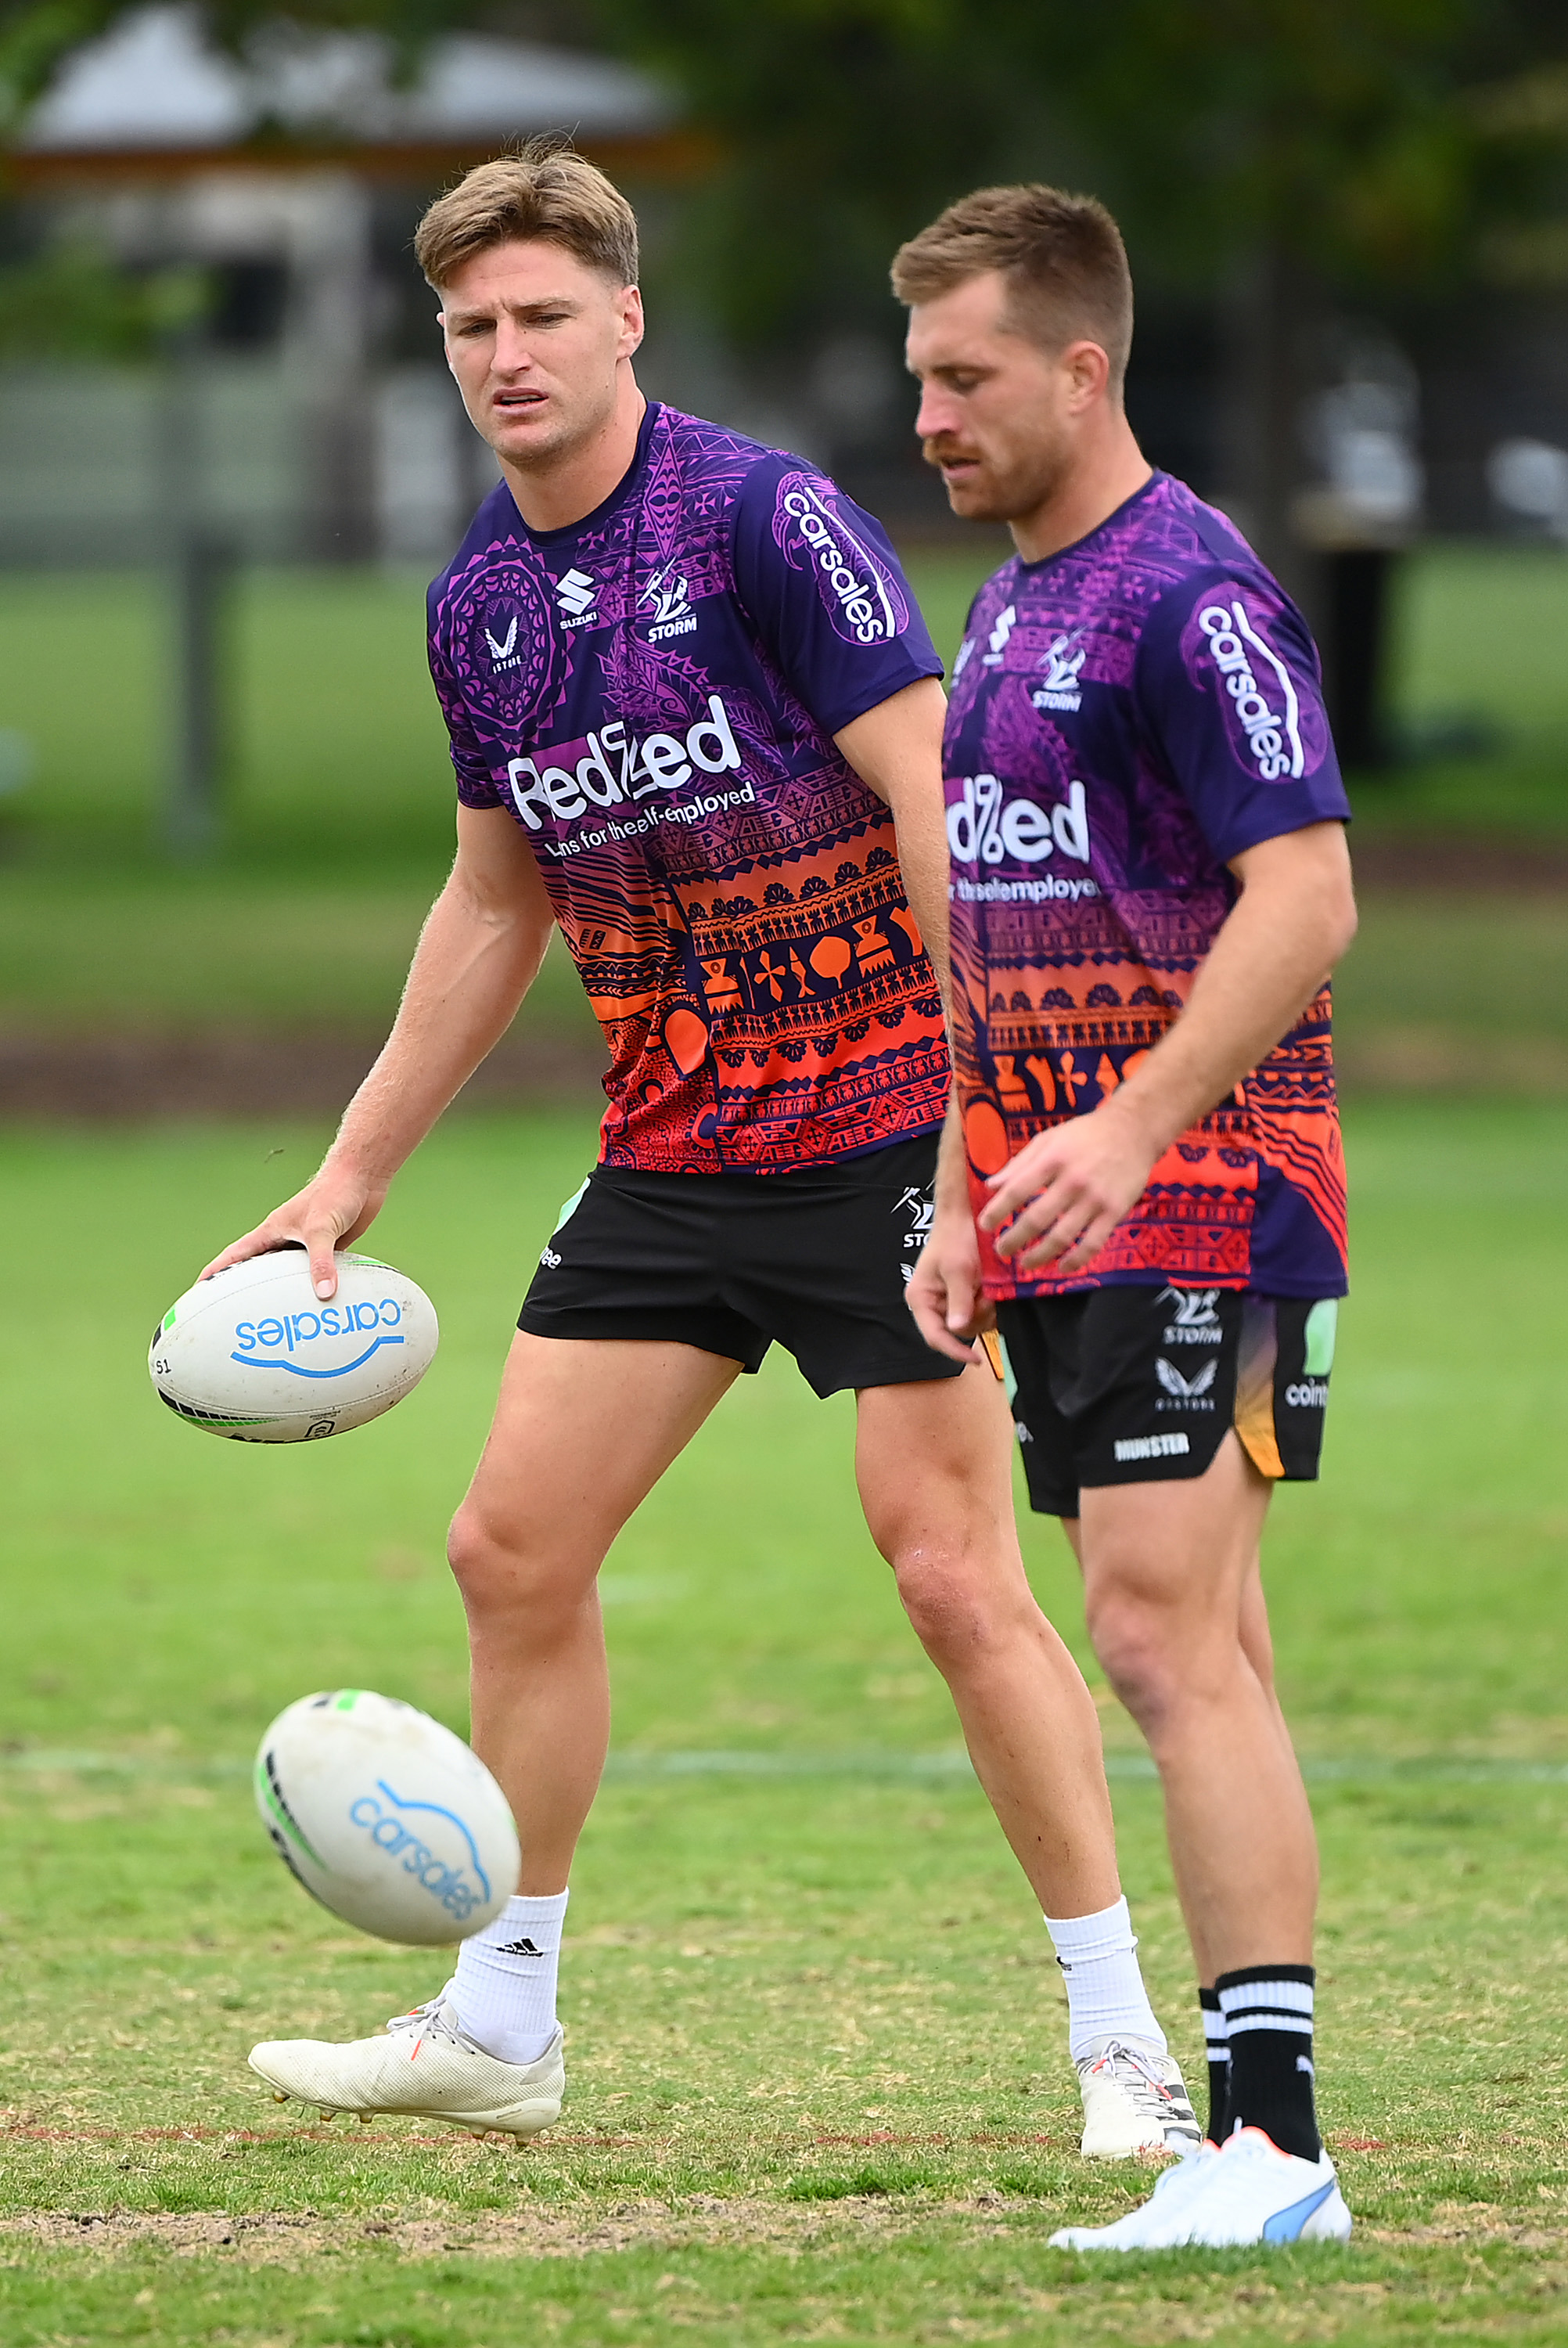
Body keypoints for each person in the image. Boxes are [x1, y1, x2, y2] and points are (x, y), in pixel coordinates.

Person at [209, 142, 1199, 2163]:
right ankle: (502, 2021)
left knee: (943, 1572)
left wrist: (977, 1112)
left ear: (625, 317)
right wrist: (350, 1172)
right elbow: (497, 903)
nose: (508, 355)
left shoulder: (761, 519)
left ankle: (1123, 2053)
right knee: (510, 1552)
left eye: (544, 316)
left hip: (882, 1124)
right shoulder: (478, 604)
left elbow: (937, 803)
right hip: (672, 1143)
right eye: (472, 326)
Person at [895, 183, 1359, 2249]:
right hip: (1064, 1217)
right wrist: (960, 1190)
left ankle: (1268, 2149)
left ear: (1081, 367)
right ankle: (1251, 2139)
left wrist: (1138, 1121)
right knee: (1202, 1652)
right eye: (916, 377)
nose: (928, 413)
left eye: (965, 374)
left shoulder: (1189, 595)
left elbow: (1311, 894)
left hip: (1212, 1198)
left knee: (1163, 1648)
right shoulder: (1009, 604)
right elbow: (994, 938)